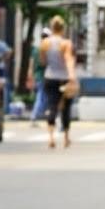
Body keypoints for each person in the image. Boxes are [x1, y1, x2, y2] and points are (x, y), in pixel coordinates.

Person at [36, 15, 78, 149]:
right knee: (66, 108)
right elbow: (68, 60)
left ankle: (51, 137)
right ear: (63, 29)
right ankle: (66, 137)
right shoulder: (65, 43)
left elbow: (42, 61)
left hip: (50, 76)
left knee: (51, 105)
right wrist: (72, 77)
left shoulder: (44, 43)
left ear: (52, 28)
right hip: (64, 77)